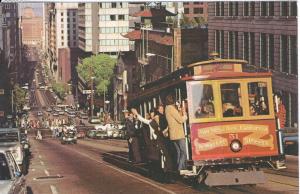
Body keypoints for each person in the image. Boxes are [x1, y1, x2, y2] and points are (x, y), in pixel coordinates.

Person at [164, 94, 188, 174]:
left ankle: (179, 167)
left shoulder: (167, 109)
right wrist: (185, 116)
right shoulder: (171, 108)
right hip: (178, 134)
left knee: (178, 152)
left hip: (173, 134)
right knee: (183, 151)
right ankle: (180, 168)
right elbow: (180, 120)